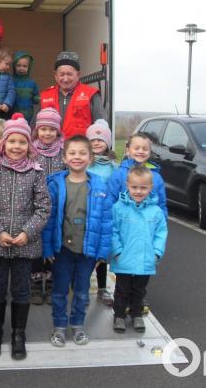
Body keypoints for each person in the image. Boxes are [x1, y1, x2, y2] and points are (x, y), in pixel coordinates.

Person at [0, 113, 51, 360]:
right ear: (4, 143)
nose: (16, 147)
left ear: (28, 144)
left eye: (22, 142)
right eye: (12, 142)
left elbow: (43, 208)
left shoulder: (36, 172)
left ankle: (19, 334)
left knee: (21, 290)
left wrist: (26, 233)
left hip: (24, 245)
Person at [42, 135, 113, 346]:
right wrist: (47, 248)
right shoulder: (55, 184)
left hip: (87, 251)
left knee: (82, 292)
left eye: (82, 153)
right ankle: (60, 327)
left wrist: (102, 253)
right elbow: (49, 220)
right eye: (72, 153)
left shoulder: (100, 186)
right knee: (60, 291)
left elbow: (106, 222)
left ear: (91, 158)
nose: (77, 157)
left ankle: (78, 325)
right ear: (64, 157)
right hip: (62, 250)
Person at [106, 132, 168, 315]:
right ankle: (122, 304)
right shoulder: (119, 174)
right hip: (125, 229)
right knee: (124, 274)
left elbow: (161, 204)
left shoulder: (156, 177)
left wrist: (159, 227)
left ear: (150, 151)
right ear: (128, 150)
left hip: (146, 227)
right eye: (136, 147)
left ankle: (137, 302)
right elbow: (110, 201)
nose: (140, 151)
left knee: (142, 271)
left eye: (145, 148)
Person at [29, 107, 66, 305]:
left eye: (52, 130)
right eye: (43, 129)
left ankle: (51, 282)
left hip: (58, 207)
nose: (47, 133)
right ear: (37, 130)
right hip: (35, 207)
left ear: (57, 131)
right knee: (36, 243)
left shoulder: (63, 151)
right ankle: (35, 281)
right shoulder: (31, 151)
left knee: (54, 244)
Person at [85, 118, 118, 306]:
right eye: (93, 139)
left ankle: (102, 288)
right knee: (85, 252)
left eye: (101, 139)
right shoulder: (85, 162)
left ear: (108, 143)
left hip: (105, 215)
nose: (96, 143)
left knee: (102, 253)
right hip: (87, 214)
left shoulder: (114, 167)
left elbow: (118, 188)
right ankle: (81, 285)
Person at [40, 51, 106, 140]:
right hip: (52, 152)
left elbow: (101, 128)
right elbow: (35, 130)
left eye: (69, 74)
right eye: (62, 74)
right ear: (55, 75)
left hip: (80, 151)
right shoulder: (44, 96)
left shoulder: (91, 94)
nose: (65, 79)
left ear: (78, 75)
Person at [11, 51, 40, 122]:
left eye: (24, 66)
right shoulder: (10, 80)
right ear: (14, 66)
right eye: (18, 65)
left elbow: (36, 97)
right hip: (12, 113)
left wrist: (38, 99)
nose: (21, 68)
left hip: (28, 114)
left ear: (29, 67)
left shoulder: (32, 83)